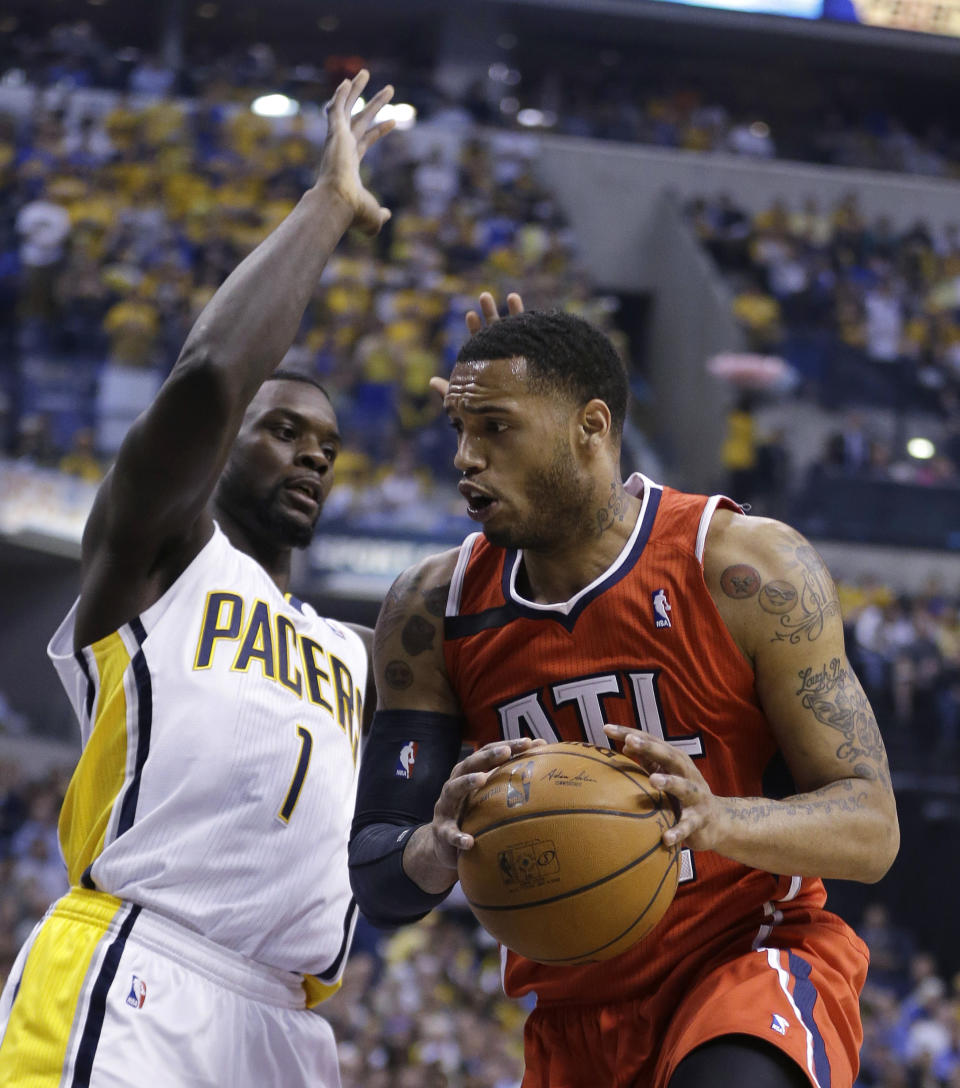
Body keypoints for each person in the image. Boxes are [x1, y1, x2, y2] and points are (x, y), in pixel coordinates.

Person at [349, 293, 900, 1088]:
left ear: (592, 427)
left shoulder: (742, 567)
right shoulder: (431, 609)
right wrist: (434, 850)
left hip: (745, 959)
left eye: (496, 428)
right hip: (570, 1013)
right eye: (460, 431)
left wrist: (717, 820)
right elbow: (377, 877)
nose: (466, 458)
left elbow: (872, 827)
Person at [0, 70, 394, 1087]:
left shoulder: (351, 653)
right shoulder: (164, 552)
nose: (312, 453)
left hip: (291, 1022)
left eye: (328, 445)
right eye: (283, 430)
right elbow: (209, 376)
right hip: (143, 974)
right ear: (225, 448)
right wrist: (331, 204)